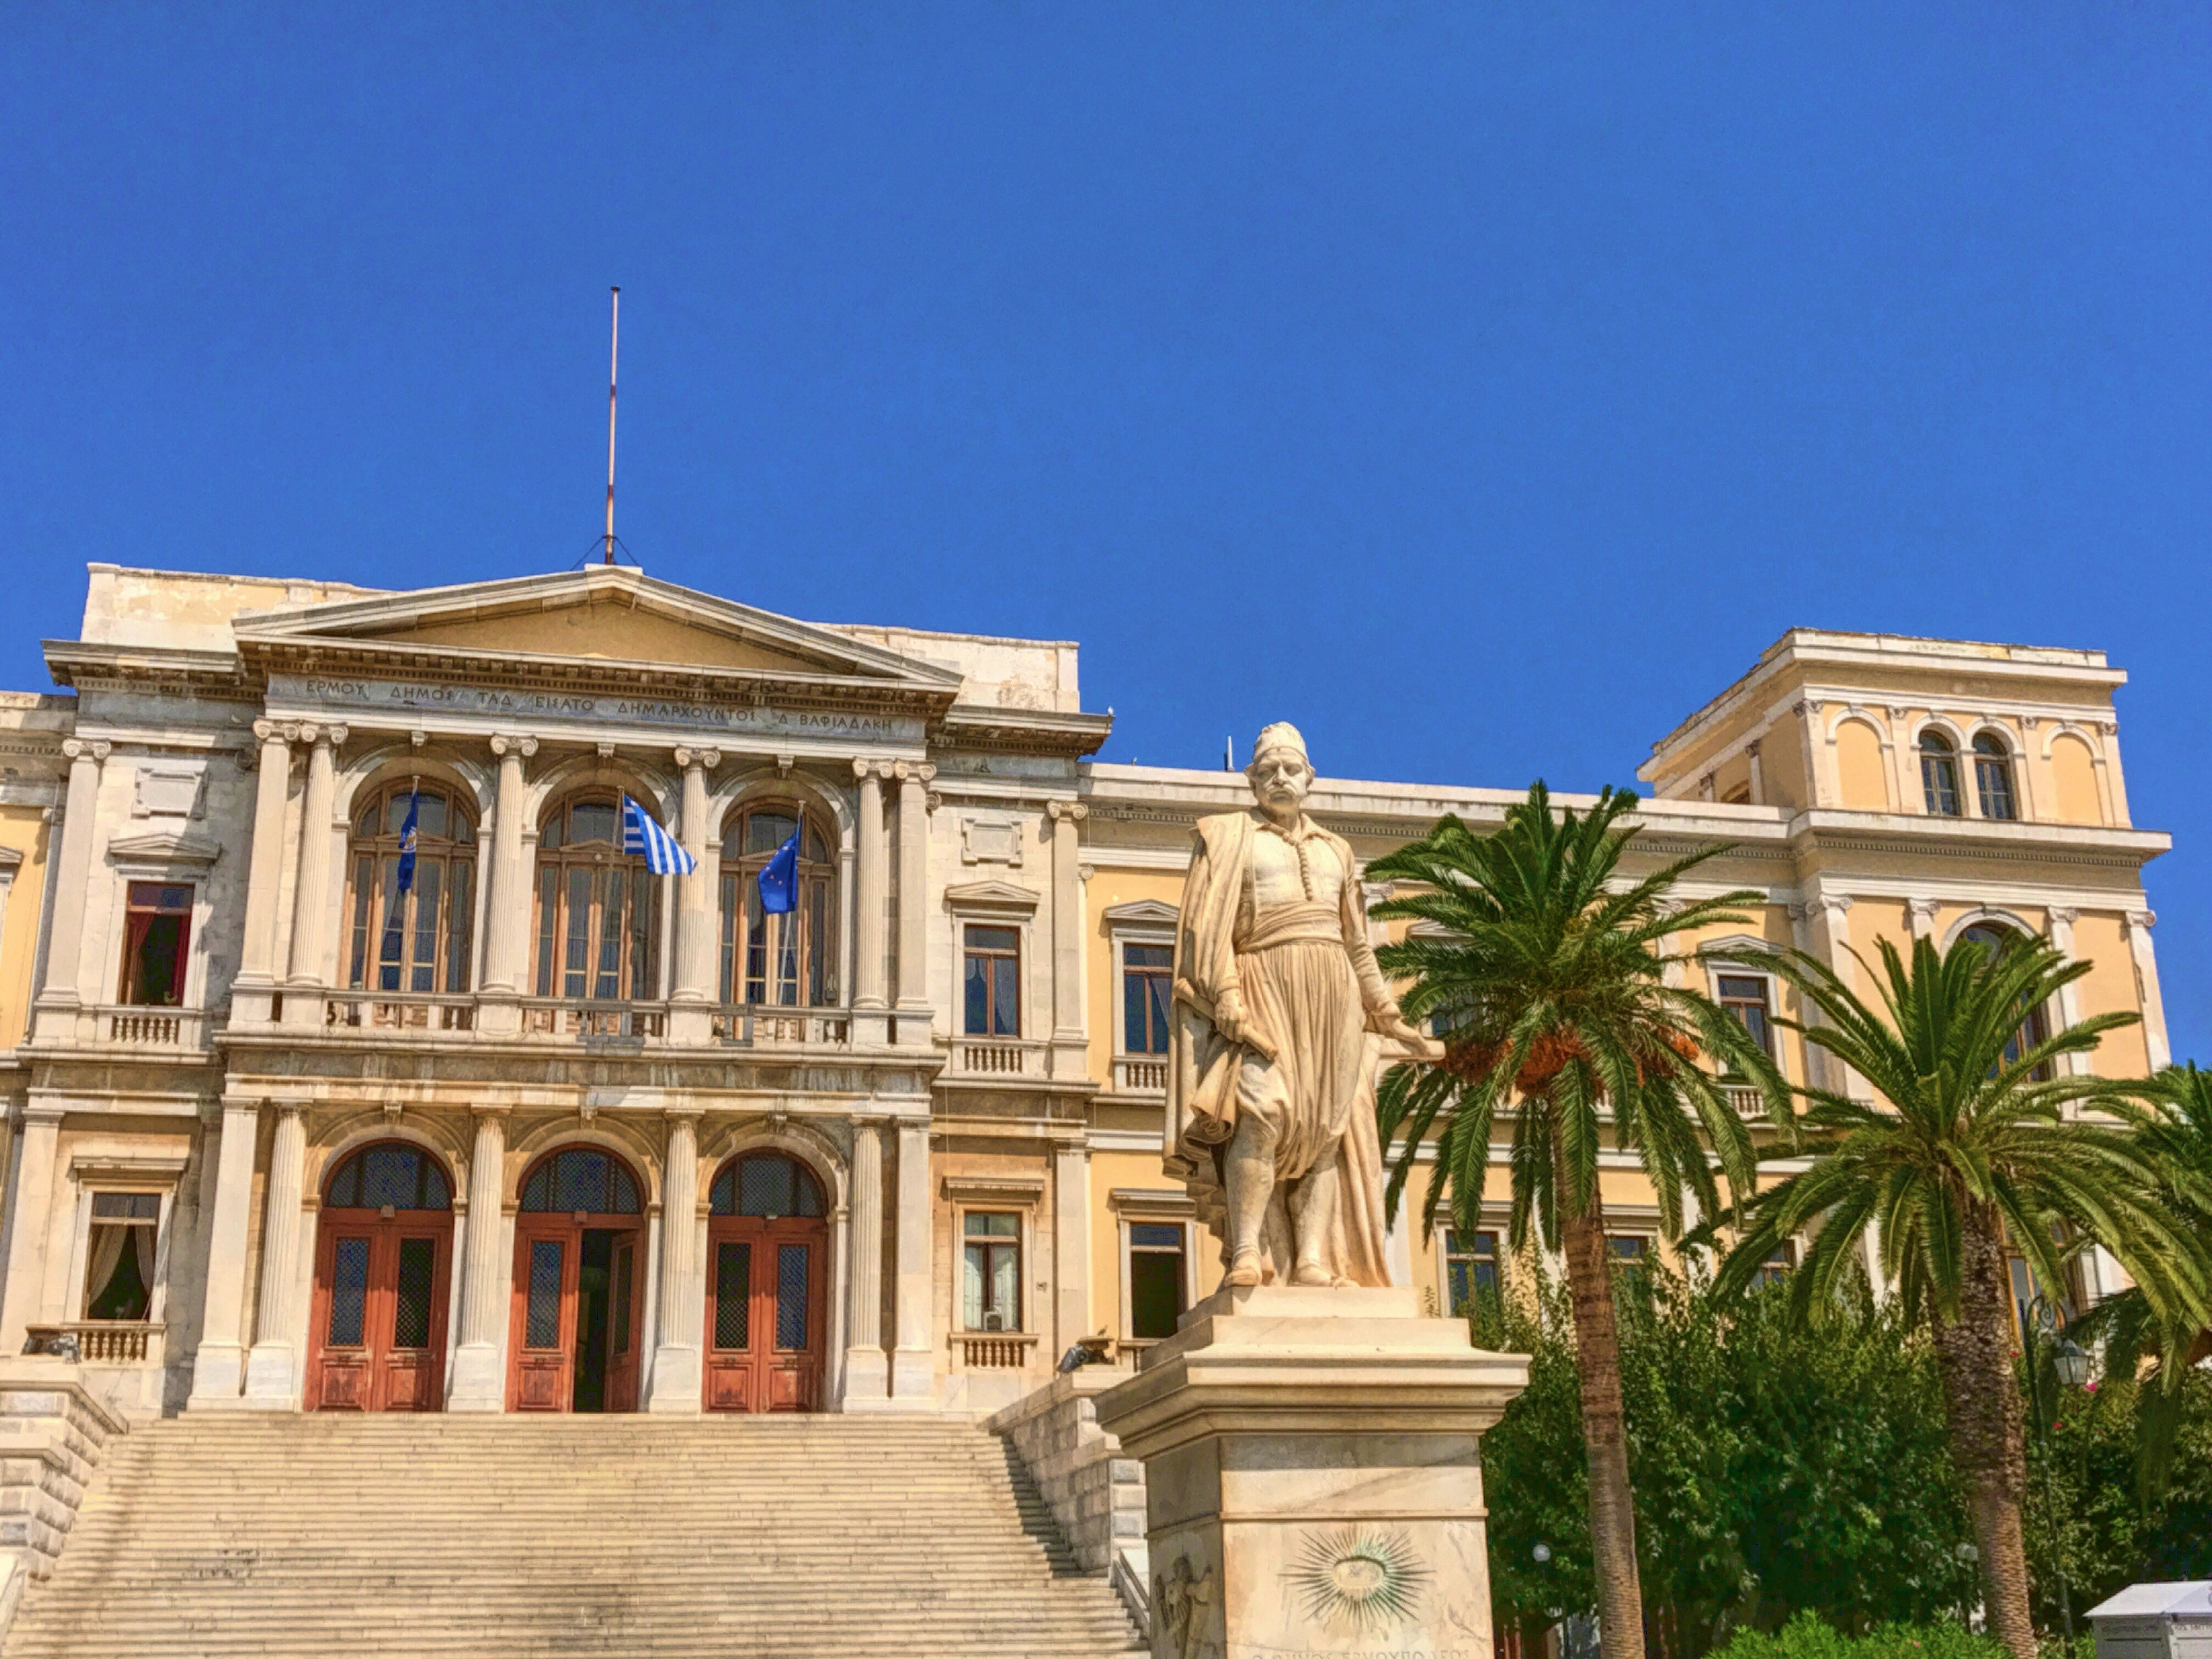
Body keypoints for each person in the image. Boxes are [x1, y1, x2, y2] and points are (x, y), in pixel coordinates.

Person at [1164, 722, 1439, 1288]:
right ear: (1251, 780)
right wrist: (1230, 998)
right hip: (1265, 987)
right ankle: (1247, 1250)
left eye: (1291, 769)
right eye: (1268, 771)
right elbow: (1209, 931)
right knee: (1261, 1113)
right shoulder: (1229, 838)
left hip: (1333, 1000)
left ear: (1311, 777)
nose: (1281, 779)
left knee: (1325, 1129)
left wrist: (1388, 1016)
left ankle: (1311, 1257)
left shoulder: (1337, 849)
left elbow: (1358, 944)